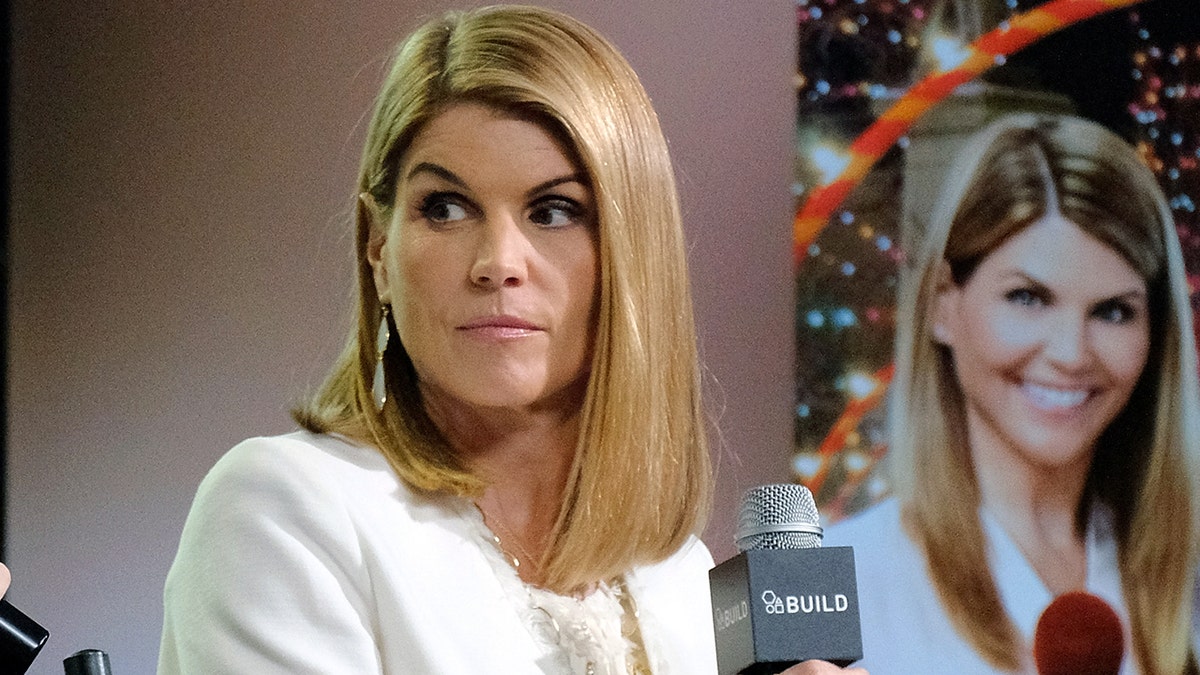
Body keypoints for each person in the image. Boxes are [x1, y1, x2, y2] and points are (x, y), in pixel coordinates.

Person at [157, 6, 865, 674]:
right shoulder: (281, 509)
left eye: (553, 211)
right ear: (378, 246)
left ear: (631, 254)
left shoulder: (672, 571)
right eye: (446, 207)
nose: (498, 261)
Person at [825, 112, 1200, 674]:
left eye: (1113, 311)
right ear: (943, 306)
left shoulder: (1188, 582)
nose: (1071, 353)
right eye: (1028, 298)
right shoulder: (838, 579)